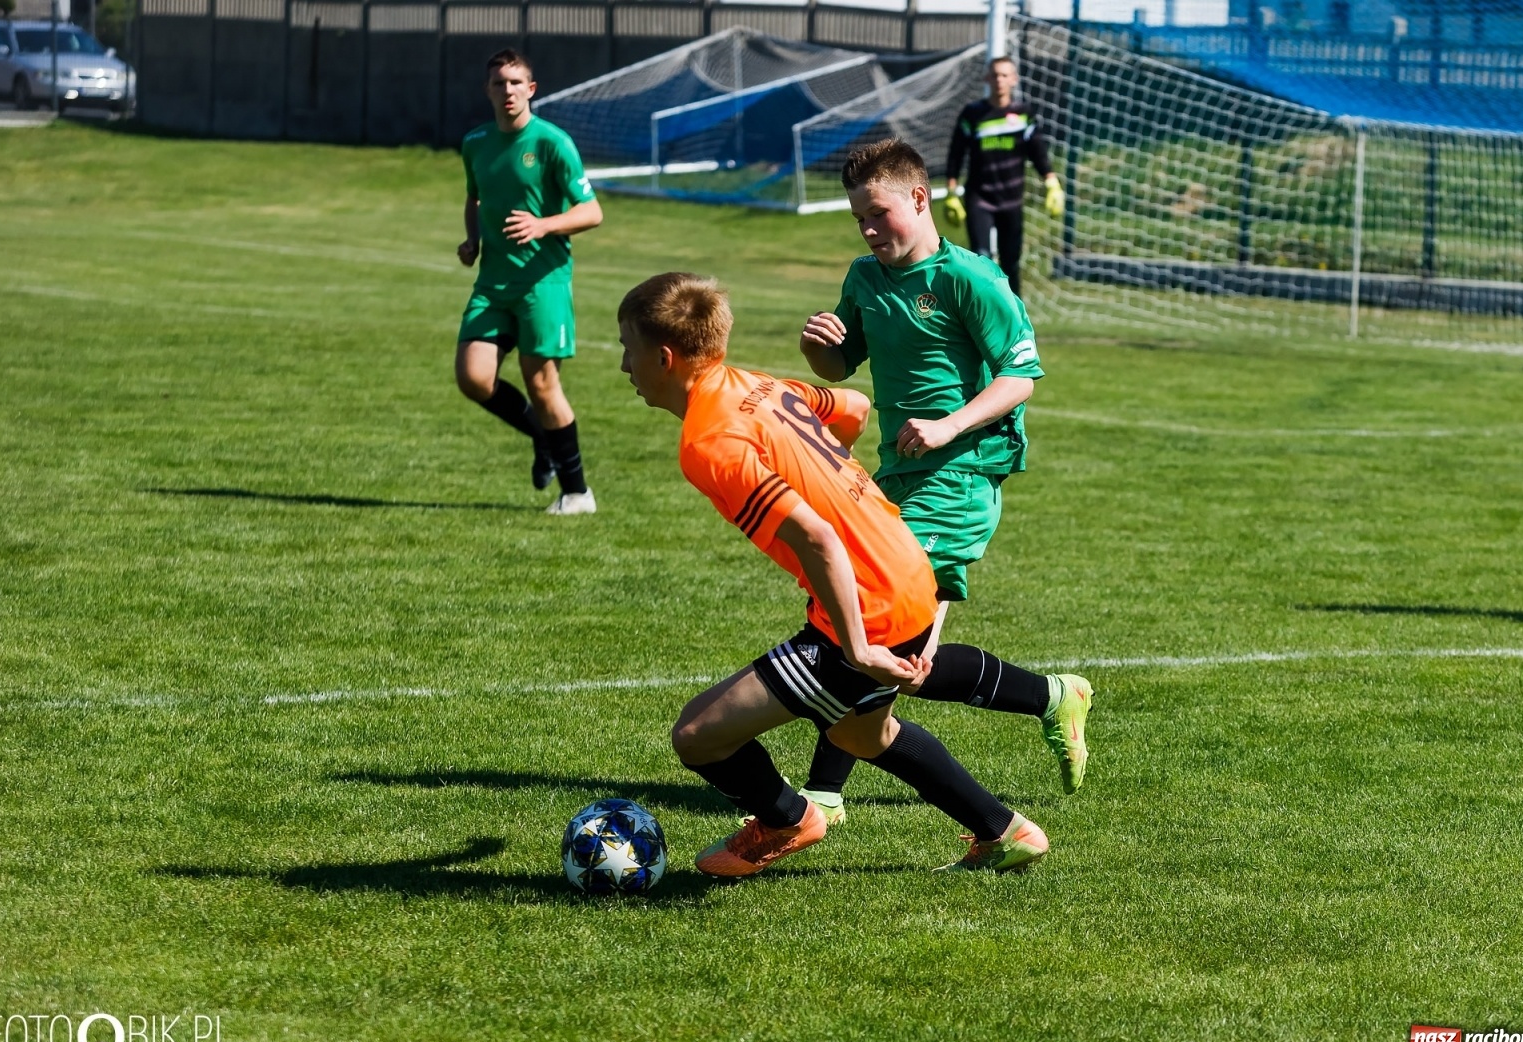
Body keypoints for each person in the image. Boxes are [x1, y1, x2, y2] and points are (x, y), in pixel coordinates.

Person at [618, 271, 1091, 876]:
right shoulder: (759, 385)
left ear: (665, 358)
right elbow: (854, 408)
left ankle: (787, 820)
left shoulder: (710, 441)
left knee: (698, 735)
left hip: (871, 606)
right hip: (908, 568)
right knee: (861, 736)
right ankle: (1005, 831)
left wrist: (859, 647)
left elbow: (817, 539)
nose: (624, 366)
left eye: (628, 349)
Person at [796, 137, 1089, 827]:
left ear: (920, 198)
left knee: (870, 618)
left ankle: (823, 794)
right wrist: (818, 351)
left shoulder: (970, 278)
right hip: (895, 475)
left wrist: (948, 426)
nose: (869, 230)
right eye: (859, 219)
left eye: (879, 214)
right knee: (905, 658)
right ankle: (1053, 697)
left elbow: (1021, 376)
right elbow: (841, 366)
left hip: (961, 473)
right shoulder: (864, 278)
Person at [455, 48, 603, 515]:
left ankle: (577, 493)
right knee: (473, 378)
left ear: (531, 89)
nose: (508, 91)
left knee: (541, 385)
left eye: (516, 82)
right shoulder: (475, 142)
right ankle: (544, 438)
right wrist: (472, 240)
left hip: (543, 282)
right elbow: (475, 198)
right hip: (493, 284)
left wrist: (543, 225)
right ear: (488, 90)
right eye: (499, 83)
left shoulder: (553, 143)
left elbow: (592, 211)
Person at [943, 55, 1062, 295]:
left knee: (1011, 263)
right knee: (981, 260)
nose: (999, 80)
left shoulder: (1023, 114)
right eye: (995, 75)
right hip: (980, 198)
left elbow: (1038, 152)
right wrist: (951, 193)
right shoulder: (972, 114)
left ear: (1014, 79)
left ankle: (1014, 314)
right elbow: (956, 154)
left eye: (1005, 75)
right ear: (987, 79)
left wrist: (1052, 182)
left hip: (1011, 200)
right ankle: (982, 312)